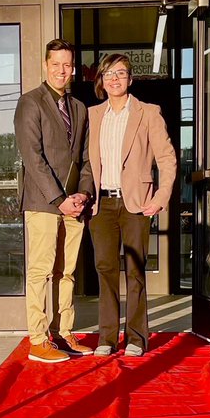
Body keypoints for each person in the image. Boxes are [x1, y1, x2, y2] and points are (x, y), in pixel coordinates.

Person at [87, 53, 177, 357]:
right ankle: (107, 338)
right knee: (105, 270)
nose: (114, 79)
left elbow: (166, 158)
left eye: (121, 73)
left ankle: (137, 338)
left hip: (135, 203)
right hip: (101, 204)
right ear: (101, 79)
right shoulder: (92, 115)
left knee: (136, 271)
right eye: (109, 74)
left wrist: (161, 196)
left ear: (130, 78)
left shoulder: (148, 112)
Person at [13, 38, 95, 363]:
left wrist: (83, 193)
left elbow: (87, 159)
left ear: (73, 68)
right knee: (41, 270)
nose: (62, 70)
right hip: (43, 201)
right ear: (46, 65)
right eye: (56, 64)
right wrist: (59, 198)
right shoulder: (30, 102)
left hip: (74, 203)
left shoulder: (79, 108)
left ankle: (64, 332)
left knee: (67, 272)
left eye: (67, 65)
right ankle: (38, 339)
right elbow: (32, 158)